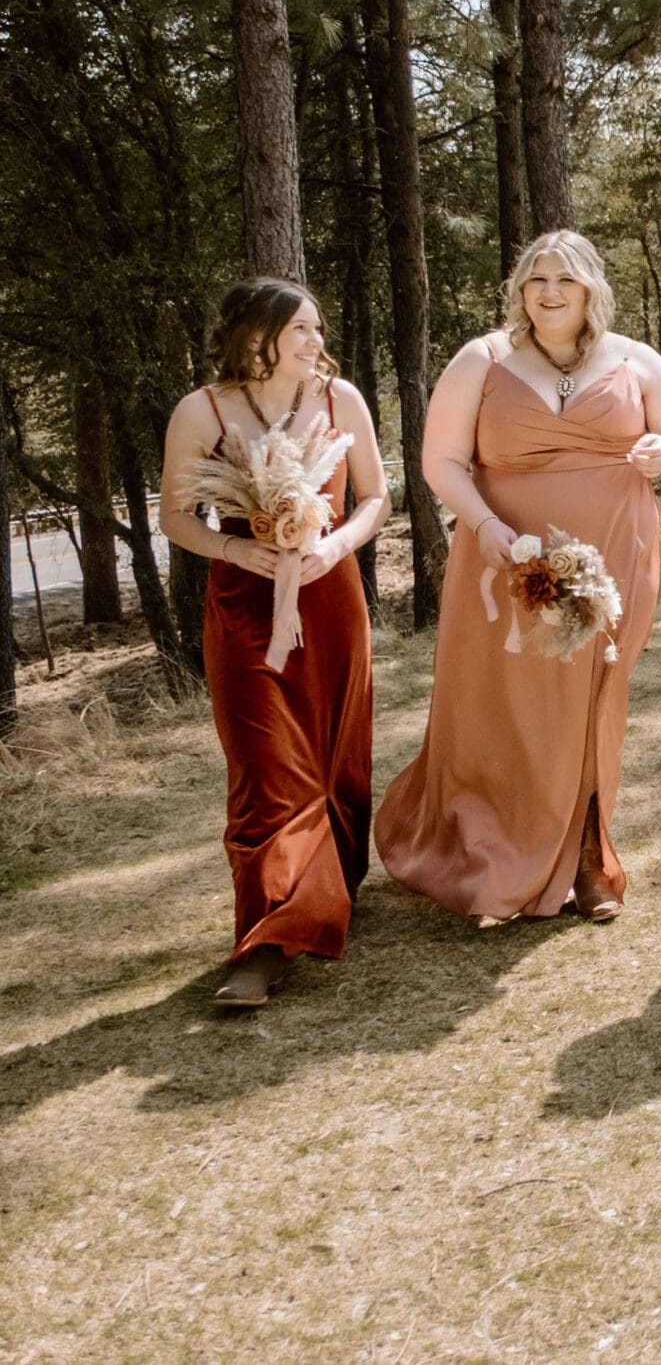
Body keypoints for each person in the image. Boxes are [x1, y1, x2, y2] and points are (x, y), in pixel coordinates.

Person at [377, 232, 661, 921]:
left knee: (593, 696)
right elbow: (442, 461)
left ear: (591, 289)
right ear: (519, 292)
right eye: (535, 280)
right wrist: (484, 526)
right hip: (507, 557)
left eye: (565, 279)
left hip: (614, 553)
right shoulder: (484, 359)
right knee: (512, 702)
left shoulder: (635, 359)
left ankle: (586, 853)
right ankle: (499, 842)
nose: (549, 291)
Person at [160, 279, 387, 1008]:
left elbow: (377, 496)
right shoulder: (202, 411)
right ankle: (265, 939)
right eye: (301, 330)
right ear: (255, 334)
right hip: (245, 603)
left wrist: (337, 545)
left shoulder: (338, 400)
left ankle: (331, 885)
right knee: (264, 766)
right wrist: (233, 554)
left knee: (332, 751)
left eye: (318, 329)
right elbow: (175, 516)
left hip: (329, 595)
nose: (316, 343)